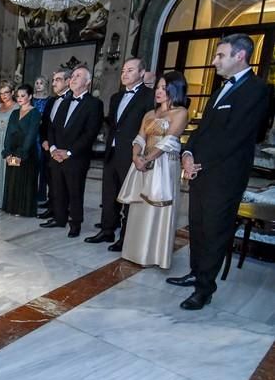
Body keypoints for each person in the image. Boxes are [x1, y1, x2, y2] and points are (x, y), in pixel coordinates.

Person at [168, 33, 269, 310]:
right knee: (198, 227)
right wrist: (187, 154)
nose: (214, 61)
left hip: (224, 176)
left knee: (214, 231)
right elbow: (203, 128)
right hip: (200, 170)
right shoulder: (221, 88)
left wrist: (201, 163)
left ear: (240, 56)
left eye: (220, 55)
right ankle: (195, 272)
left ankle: (204, 289)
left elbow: (235, 135)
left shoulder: (257, 89)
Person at [117, 71, 189, 269]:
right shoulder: (149, 113)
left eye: (164, 88)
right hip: (142, 164)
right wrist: (135, 157)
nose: (158, 91)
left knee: (158, 206)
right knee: (140, 206)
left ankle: (155, 255)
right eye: (158, 87)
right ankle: (134, 251)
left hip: (164, 165)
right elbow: (140, 137)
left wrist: (147, 159)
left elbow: (169, 141)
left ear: (175, 89)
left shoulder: (180, 113)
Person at [85, 58, 155, 251]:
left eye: (130, 70)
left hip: (132, 153)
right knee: (109, 194)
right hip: (112, 151)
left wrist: (144, 154)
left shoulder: (149, 96)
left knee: (130, 198)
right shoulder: (116, 97)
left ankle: (126, 237)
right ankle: (107, 230)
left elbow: (150, 128)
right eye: (123, 70)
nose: (124, 74)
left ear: (141, 73)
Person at [40, 65, 104, 238]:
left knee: (75, 192)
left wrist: (68, 152)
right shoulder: (65, 100)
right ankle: (59, 218)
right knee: (58, 189)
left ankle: (75, 223)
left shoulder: (94, 104)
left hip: (76, 157)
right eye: (73, 76)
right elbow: (52, 127)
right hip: (57, 155)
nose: (73, 79)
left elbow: (89, 133)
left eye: (78, 76)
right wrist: (53, 149)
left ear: (88, 83)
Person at [1, 84, 42, 217]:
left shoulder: (35, 113)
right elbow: (8, 134)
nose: (19, 98)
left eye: (23, 96)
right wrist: (7, 152)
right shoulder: (14, 113)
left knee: (24, 180)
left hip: (27, 153)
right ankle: (12, 207)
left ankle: (23, 209)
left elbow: (31, 135)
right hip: (12, 151)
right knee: (13, 178)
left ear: (30, 96)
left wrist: (21, 154)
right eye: (17, 96)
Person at [37, 68, 71, 220]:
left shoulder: (71, 100)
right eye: (54, 80)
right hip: (48, 147)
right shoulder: (51, 100)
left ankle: (61, 211)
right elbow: (45, 123)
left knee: (62, 183)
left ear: (67, 81)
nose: (54, 84)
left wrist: (59, 148)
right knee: (50, 178)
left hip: (63, 150)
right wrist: (45, 140)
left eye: (58, 80)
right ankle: (51, 206)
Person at [0, 80, 19, 210]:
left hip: (11, 143)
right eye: (1, 93)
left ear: (12, 92)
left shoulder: (18, 107)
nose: (4, 95)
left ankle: (9, 202)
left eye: (6, 92)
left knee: (11, 171)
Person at [32, 76, 52, 206]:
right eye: (37, 83)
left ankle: (41, 193)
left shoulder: (49, 100)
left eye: (41, 83)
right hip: (32, 134)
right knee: (31, 164)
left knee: (43, 165)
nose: (39, 85)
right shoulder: (31, 99)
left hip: (43, 135)